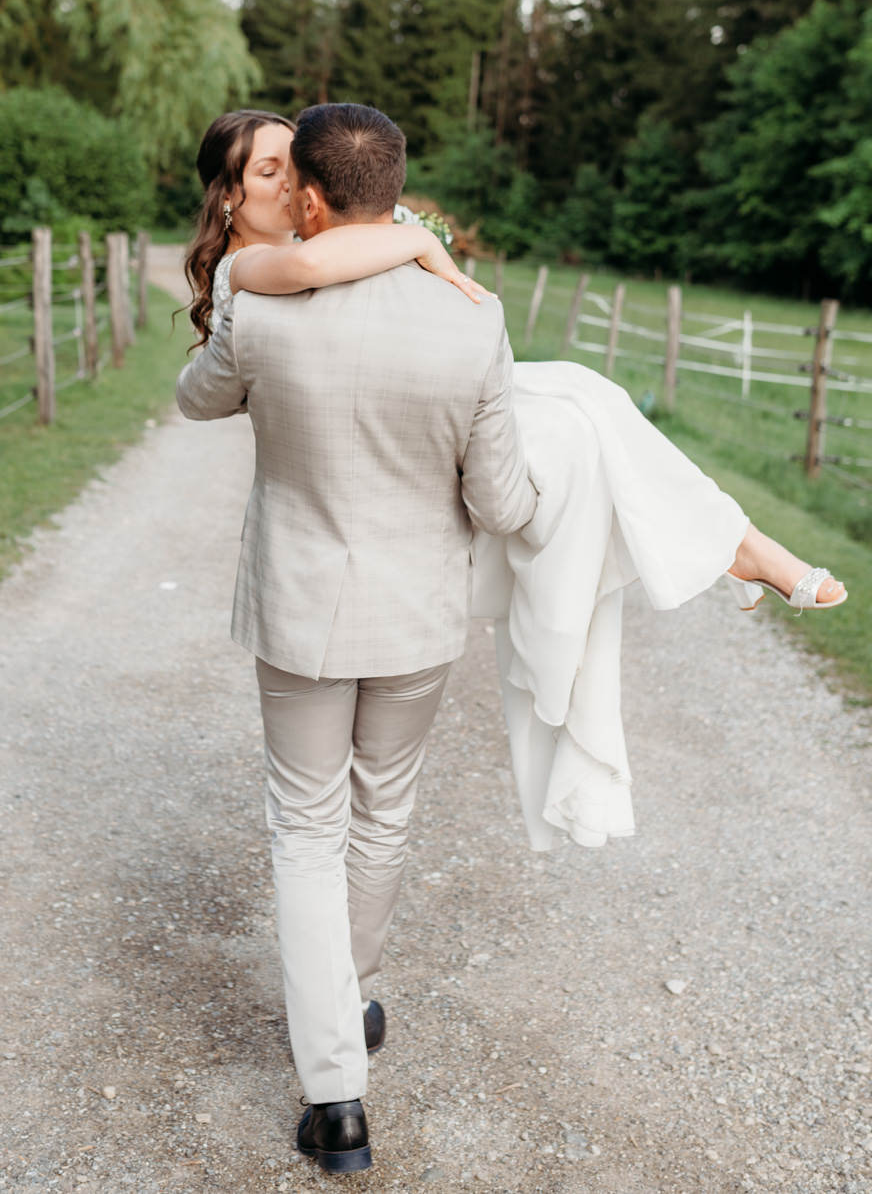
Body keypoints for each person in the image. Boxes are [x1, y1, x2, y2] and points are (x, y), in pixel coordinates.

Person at [176, 103, 847, 1167]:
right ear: (391, 188)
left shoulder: (254, 308)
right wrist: (559, 500)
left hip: (301, 608)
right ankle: (347, 1008)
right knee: (381, 816)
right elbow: (505, 508)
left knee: (305, 833)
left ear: (311, 193)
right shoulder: (464, 315)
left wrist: (232, 329)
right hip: (418, 614)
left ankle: (337, 1098)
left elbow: (197, 398)